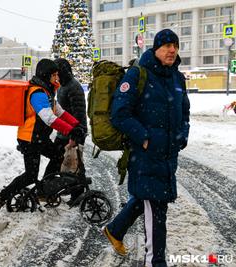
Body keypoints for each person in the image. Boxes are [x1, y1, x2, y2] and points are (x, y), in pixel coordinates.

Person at [101, 29, 190, 267]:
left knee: (146, 199)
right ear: (156, 48)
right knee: (157, 213)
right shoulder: (137, 74)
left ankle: (115, 230)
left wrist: (183, 135)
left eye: (175, 45)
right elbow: (119, 114)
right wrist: (144, 138)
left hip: (168, 157)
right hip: (146, 157)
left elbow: (185, 112)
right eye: (167, 45)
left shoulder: (177, 78)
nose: (172, 50)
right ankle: (155, 261)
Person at [0, 59, 85, 212]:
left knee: (58, 155)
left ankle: (44, 190)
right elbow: (49, 118)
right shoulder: (37, 93)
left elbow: (60, 112)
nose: (56, 78)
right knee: (30, 176)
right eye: (54, 75)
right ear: (46, 75)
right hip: (29, 140)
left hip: (39, 138)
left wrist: (76, 124)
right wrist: (70, 130)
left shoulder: (47, 91)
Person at [54, 58, 87, 202]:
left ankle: (78, 193)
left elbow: (78, 113)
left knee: (75, 162)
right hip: (65, 131)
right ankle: (71, 190)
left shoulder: (73, 87)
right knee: (66, 161)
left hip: (74, 131)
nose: (55, 75)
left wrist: (75, 136)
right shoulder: (62, 86)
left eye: (57, 72)